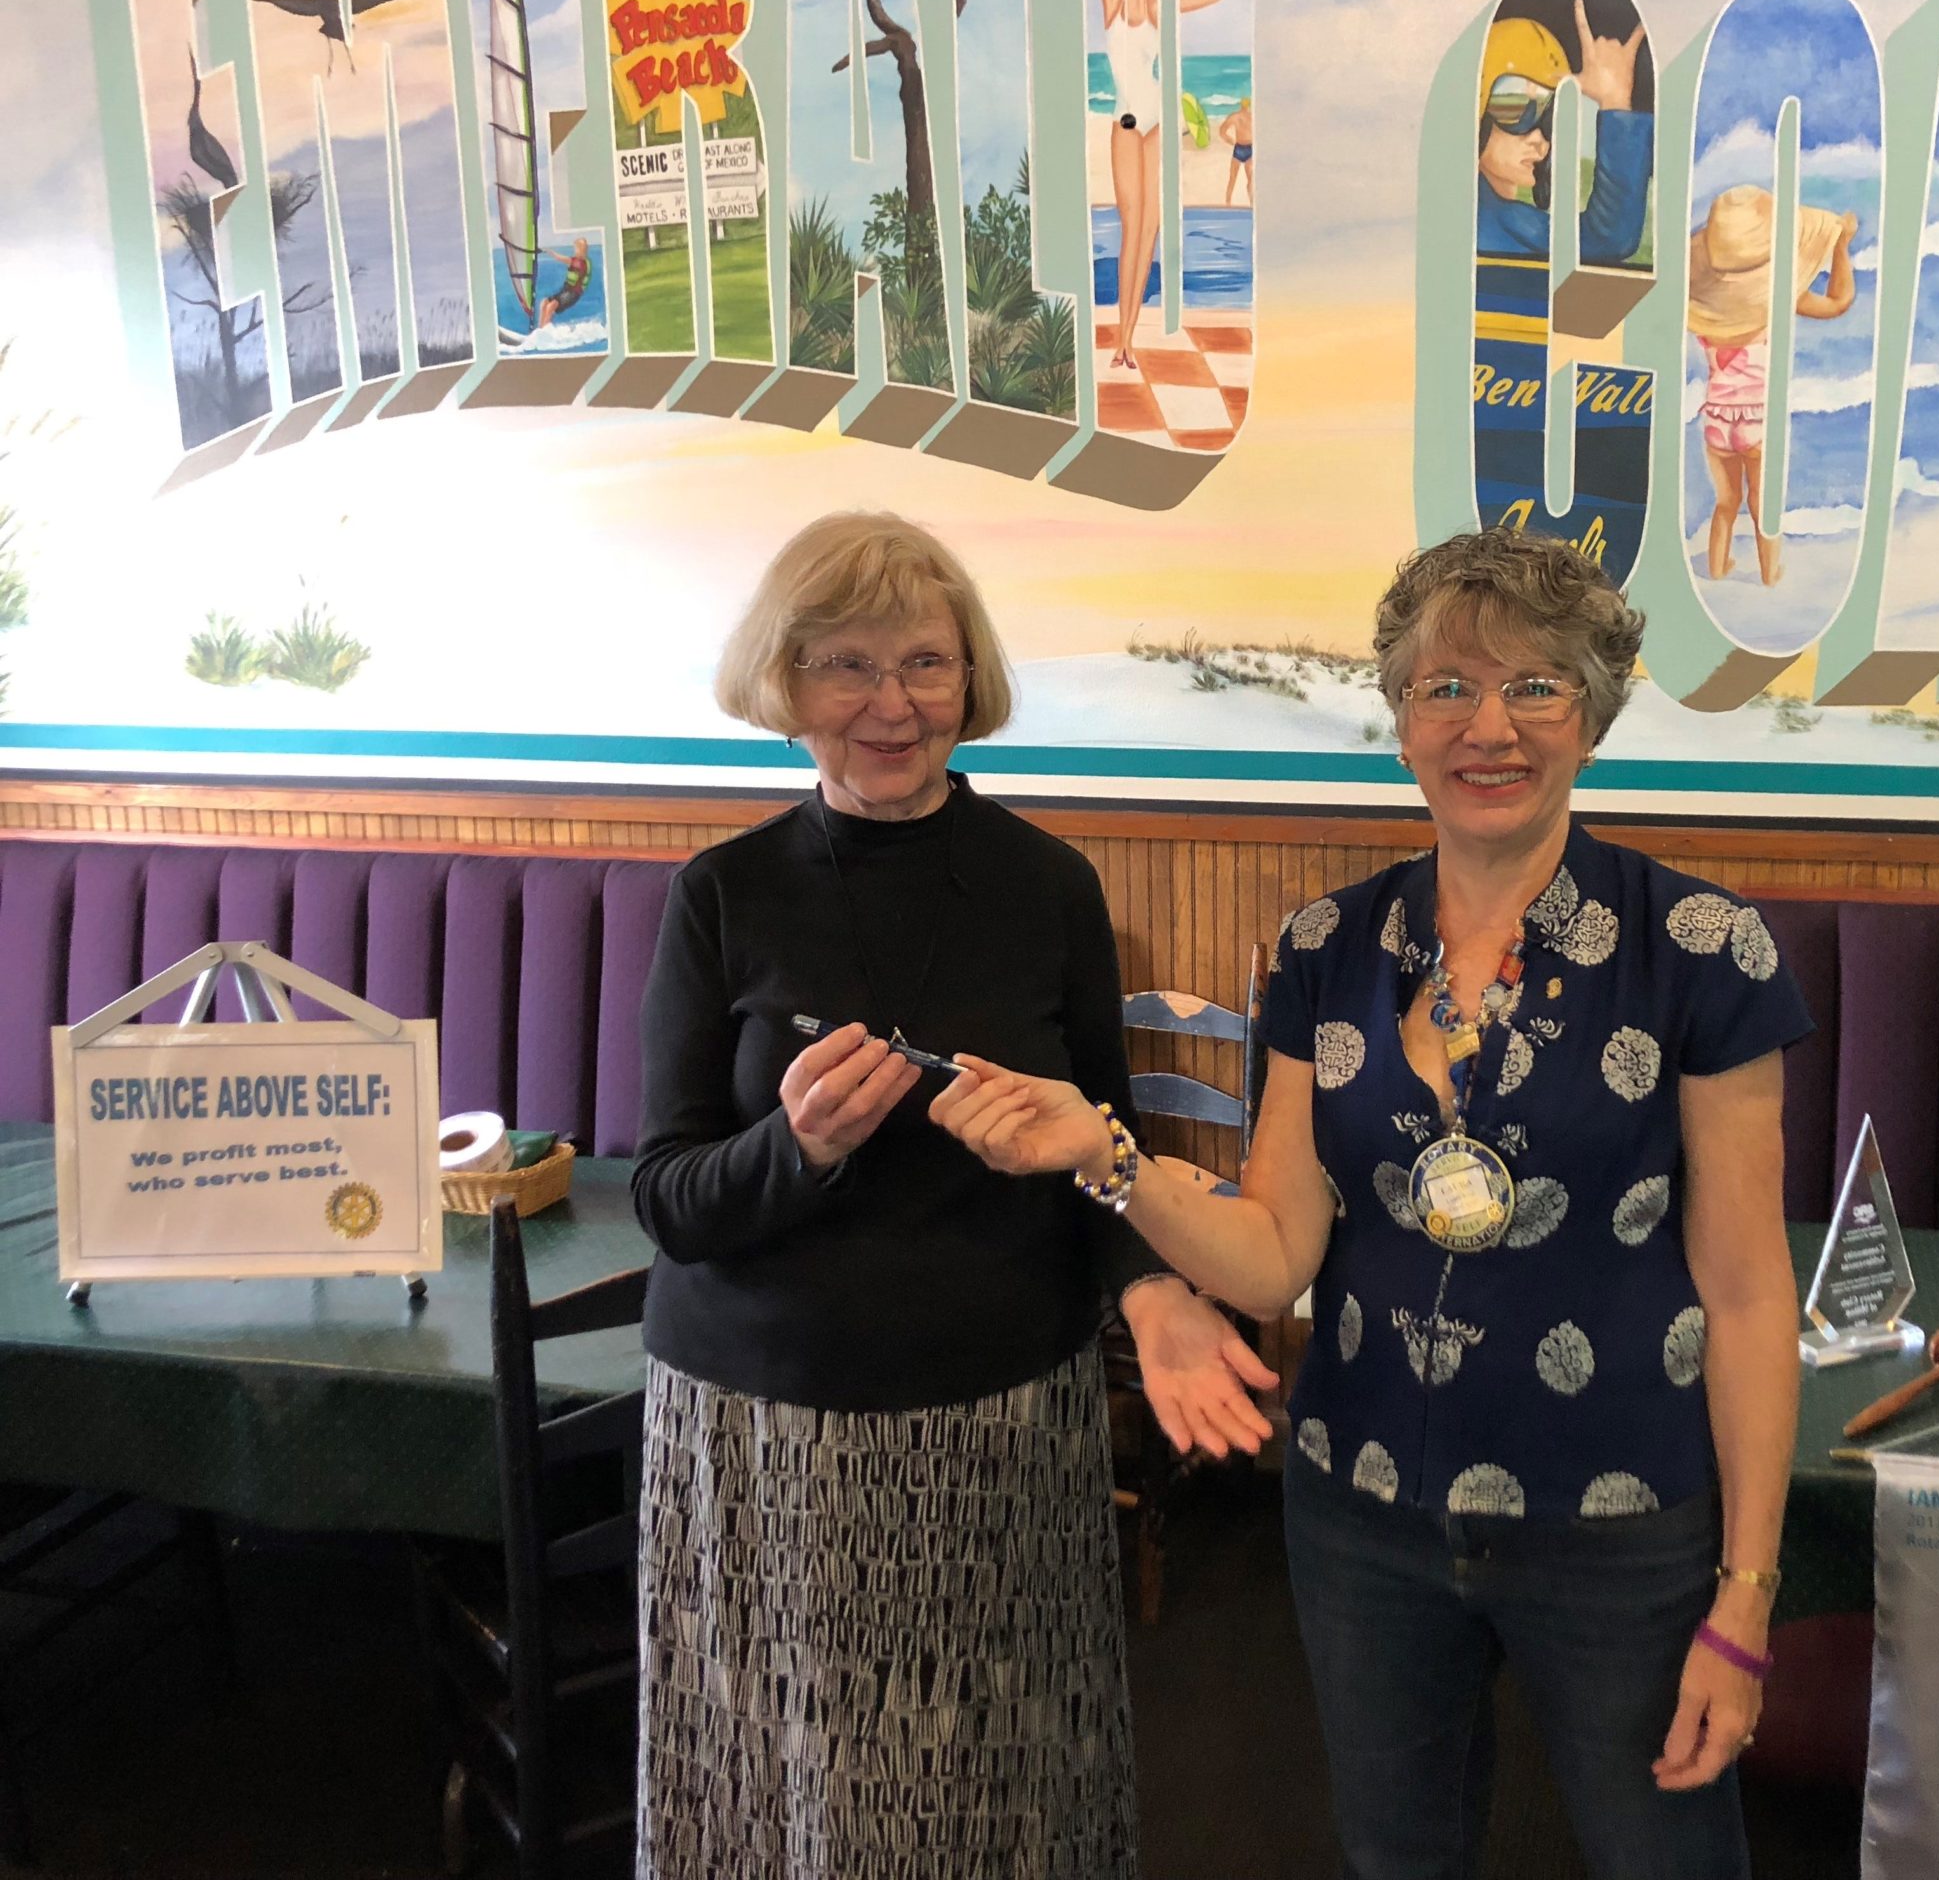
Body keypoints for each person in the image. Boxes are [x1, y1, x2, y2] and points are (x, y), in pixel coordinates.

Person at [932, 527, 1814, 1878]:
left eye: (1534, 687)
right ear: (1401, 722)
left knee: (1666, 1859)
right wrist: (1106, 1156)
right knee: (1398, 1858)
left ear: (1592, 717)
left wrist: (1746, 1600)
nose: (1488, 727)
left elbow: (1749, 1296)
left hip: (1619, 1518)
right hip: (1362, 1512)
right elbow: (1272, 1255)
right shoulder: (1325, 947)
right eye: (1444, 688)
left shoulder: (1699, 947)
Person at [630, 511, 1277, 1878]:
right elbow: (671, 1200)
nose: (892, 705)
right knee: (790, 1798)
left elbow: (1102, 1147)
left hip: (1001, 1422)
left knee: (998, 1789)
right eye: (846, 665)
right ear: (784, 682)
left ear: (968, 678)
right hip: (767, 1433)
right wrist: (796, 1149)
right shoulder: (721, 895)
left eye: (925, 663)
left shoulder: (1049, 886)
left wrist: (1153, 1291)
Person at [1687, 189, 1859, 585]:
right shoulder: (1776, 300)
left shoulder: (1707, 309)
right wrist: (1841, 247)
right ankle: (1769, 575)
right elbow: (1837, 302)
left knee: (1726, 503)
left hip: (1716, 419)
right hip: (1758, 419)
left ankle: (1717, 570)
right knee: (1763, 507)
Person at [1092, 0, 1224, 370]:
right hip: (1127, 121)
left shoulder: (1155, 1)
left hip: (1158, 118)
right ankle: (1122, 336)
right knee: (1131, 228)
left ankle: (1127, 341)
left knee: (1150, 227)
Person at [1477, 0, 1652, 267]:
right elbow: (1609, 238)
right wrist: (1615, 101)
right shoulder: (1500, 219)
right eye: (1516, 107)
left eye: (1551, 115)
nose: (1539, 140)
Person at [536, 236, 588, 330]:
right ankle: (540, 330)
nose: (575, 251)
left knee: (551, 306)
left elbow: (559, 258)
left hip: (573, 294)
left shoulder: (581, 263)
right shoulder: (574, 261)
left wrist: (548, 251)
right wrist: (548, 251)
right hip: (565, 290)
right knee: (544, 302)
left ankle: (545, 331)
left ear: (582, 250)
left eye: (577, 249)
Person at [1218, 96, 1254, 205]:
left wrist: (1229, 140)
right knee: (1246, 180)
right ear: (1249, 105)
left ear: (1241, 105)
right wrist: (1229, 140)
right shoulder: (1252, 117)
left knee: (1234, 179)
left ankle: (1230, 203)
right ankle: (1231, 202)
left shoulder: (1235, 116)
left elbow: (1222, 131)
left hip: (1241, 148)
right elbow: (1222, 131)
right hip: (1246, 148)